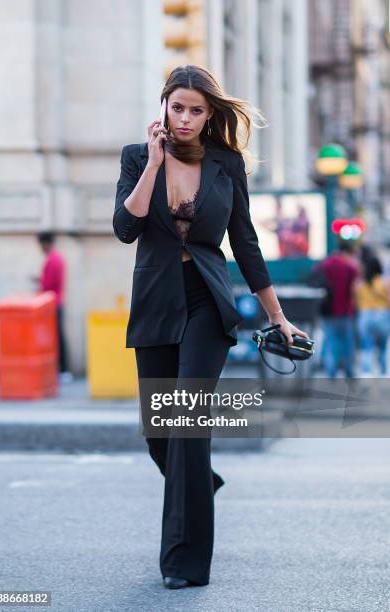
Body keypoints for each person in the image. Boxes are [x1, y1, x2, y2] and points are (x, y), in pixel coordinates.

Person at [112, 64, 309, 590]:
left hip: (206, 301)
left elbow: (244, 242)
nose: (186, 118)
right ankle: (202, 483)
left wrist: (277, 317)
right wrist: (154, 164)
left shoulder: (226, 163)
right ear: (164, 106)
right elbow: (125, 228)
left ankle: (184, 562)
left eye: (196, 110)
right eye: (178, 107)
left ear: (209, 115)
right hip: (154, 302)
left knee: (186, 427)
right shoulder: (137, 157)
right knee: (160, 437)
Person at [315, 240, 360, 378]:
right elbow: (354, 291)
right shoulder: (351, 267)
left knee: (330, 342)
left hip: (328, 311)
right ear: (348, 252)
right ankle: (349, 372)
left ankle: (331, 372)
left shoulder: (325, 264)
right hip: (346, 311)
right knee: (348, 344)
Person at [35, 231, 71, 382]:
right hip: (56, 303)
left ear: (45, 243)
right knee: (58, 337)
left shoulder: (52, 259)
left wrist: (40, 281)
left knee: (56, 338)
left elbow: (48, 284)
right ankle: (62, 370)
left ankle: (62, 370)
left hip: (52, 304)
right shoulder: (58, 258)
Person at [354, 255, 390, 376]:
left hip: (365, 315)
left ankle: (366, 373)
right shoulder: (385, 282)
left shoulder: (360, 283)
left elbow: (355, 301)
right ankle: (383, 373)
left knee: (366, 346)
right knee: (382, 346)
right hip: (382, 315)